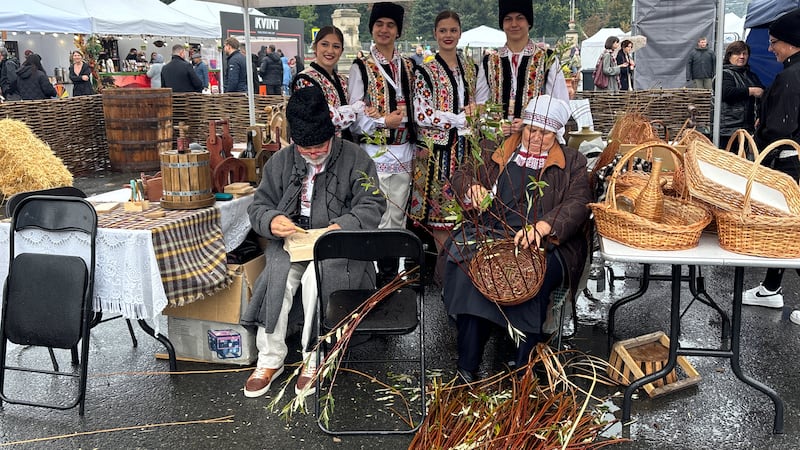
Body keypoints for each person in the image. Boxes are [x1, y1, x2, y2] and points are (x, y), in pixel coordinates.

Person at [240, 85, 386, 397]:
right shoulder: (281, 161)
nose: (314, 155)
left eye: (320, 147)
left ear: (332, 134)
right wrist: (271, 221)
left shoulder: (356, 159)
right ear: (294, 141)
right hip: (294, 240)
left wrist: (340, 226)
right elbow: (258, 207)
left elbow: (373, 205)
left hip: (340, 244)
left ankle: (314, 356)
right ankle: (270, 358)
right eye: (305, 150)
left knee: (316, 281)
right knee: (278, 279)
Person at [442, 95, 591, 382]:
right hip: (489, 232)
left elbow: (579, 201)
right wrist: (472, 188)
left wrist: (545, 226)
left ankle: (522, 363)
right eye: (530, 130)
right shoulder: (496, 149)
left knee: (529, 275)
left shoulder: (572, 161)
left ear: (557, 133)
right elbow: (460, 175)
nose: (535, 137)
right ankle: (467, 363)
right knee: (469, 272)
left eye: (545, 133)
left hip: (545, 243)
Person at [348, 2, 417, 285]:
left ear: (398, 31)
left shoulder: (410, 66)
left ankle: (389, 280)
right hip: (374, 153)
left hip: (405, 151)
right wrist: (379, 122)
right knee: (375, 215)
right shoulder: (361, 66)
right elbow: (354, 113)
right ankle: (369, 280)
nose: (384, 30)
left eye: (390, 25)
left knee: (398, 217)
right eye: (379, 25)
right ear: (372, 29)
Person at [741, 9, 800, 327]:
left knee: (792, 229)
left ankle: (771, 288)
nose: (770, 48)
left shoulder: (791, 77)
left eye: (774, 42)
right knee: (786, 227)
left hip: (791, 166)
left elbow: (779, 129)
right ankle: (770, 288)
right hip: (794, 163)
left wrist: (760, 132)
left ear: (792, 43)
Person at [410, 10, 478, 253]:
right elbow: (421, 114)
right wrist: (456, 119)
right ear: (435, 34)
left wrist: (476, 111)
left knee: (467, 208)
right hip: (438, 153)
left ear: (459, 33)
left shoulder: (470, 68)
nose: (448, 35)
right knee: (441, 215)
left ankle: (464, 267)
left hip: (467, 150)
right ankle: (443, 268)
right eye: (443, 30)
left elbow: (480, 102)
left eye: (453, 30)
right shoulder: (425, 71)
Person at [475, 0, 569, 137]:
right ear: (502, 24)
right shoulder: (489, 62)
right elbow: (481, 105)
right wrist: (495, 127)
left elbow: (561, 105)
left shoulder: (547, 60)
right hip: (497, 144)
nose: (514, 24)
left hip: (535, 143)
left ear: (529, 22)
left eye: (520, 18)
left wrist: (530, 122)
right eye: (508, 19)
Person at [292, 25, 366, 138]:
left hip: (345, 147)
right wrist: (354, 111)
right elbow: (319, 118)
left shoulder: (343, 80)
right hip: (319, 150)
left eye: (336, 46)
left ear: (341, 51)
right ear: (315, 47)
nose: (330, 50)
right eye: (324, 44)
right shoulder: (304, 80)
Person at [719, 40, 764, 150]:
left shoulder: (751, 75)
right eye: (737, 53)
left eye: (745, 54)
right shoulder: (724, 74)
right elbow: (726, 93)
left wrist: (761, 115)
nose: (742, 57)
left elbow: (763, 93)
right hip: (728, 130)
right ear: (729, 56)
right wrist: (751, 91)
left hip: (749, 129)